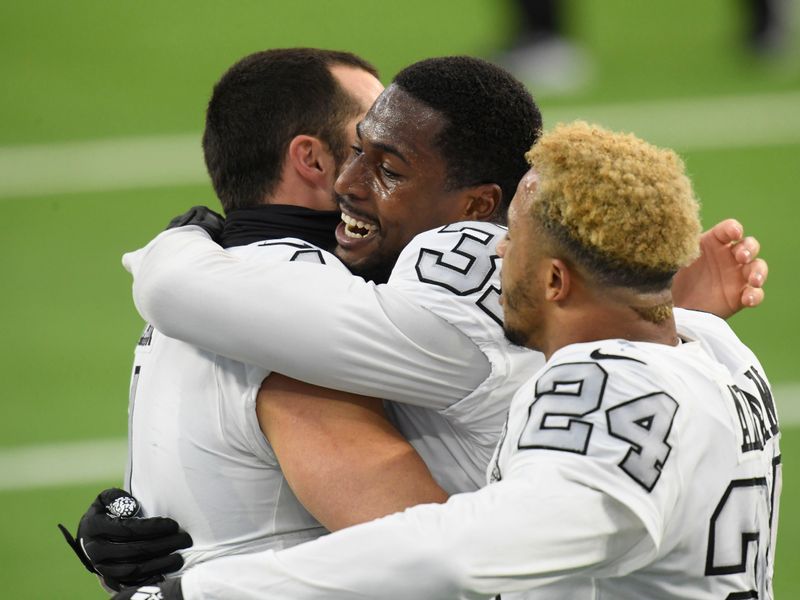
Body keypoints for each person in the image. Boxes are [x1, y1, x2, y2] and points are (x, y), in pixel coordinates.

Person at [70, 56, 767, 590]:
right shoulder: (716, 350)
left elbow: (453, 556)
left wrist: (203, 583)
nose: (495, 253)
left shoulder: (451, 310)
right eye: (358, 145)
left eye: (509, 239)